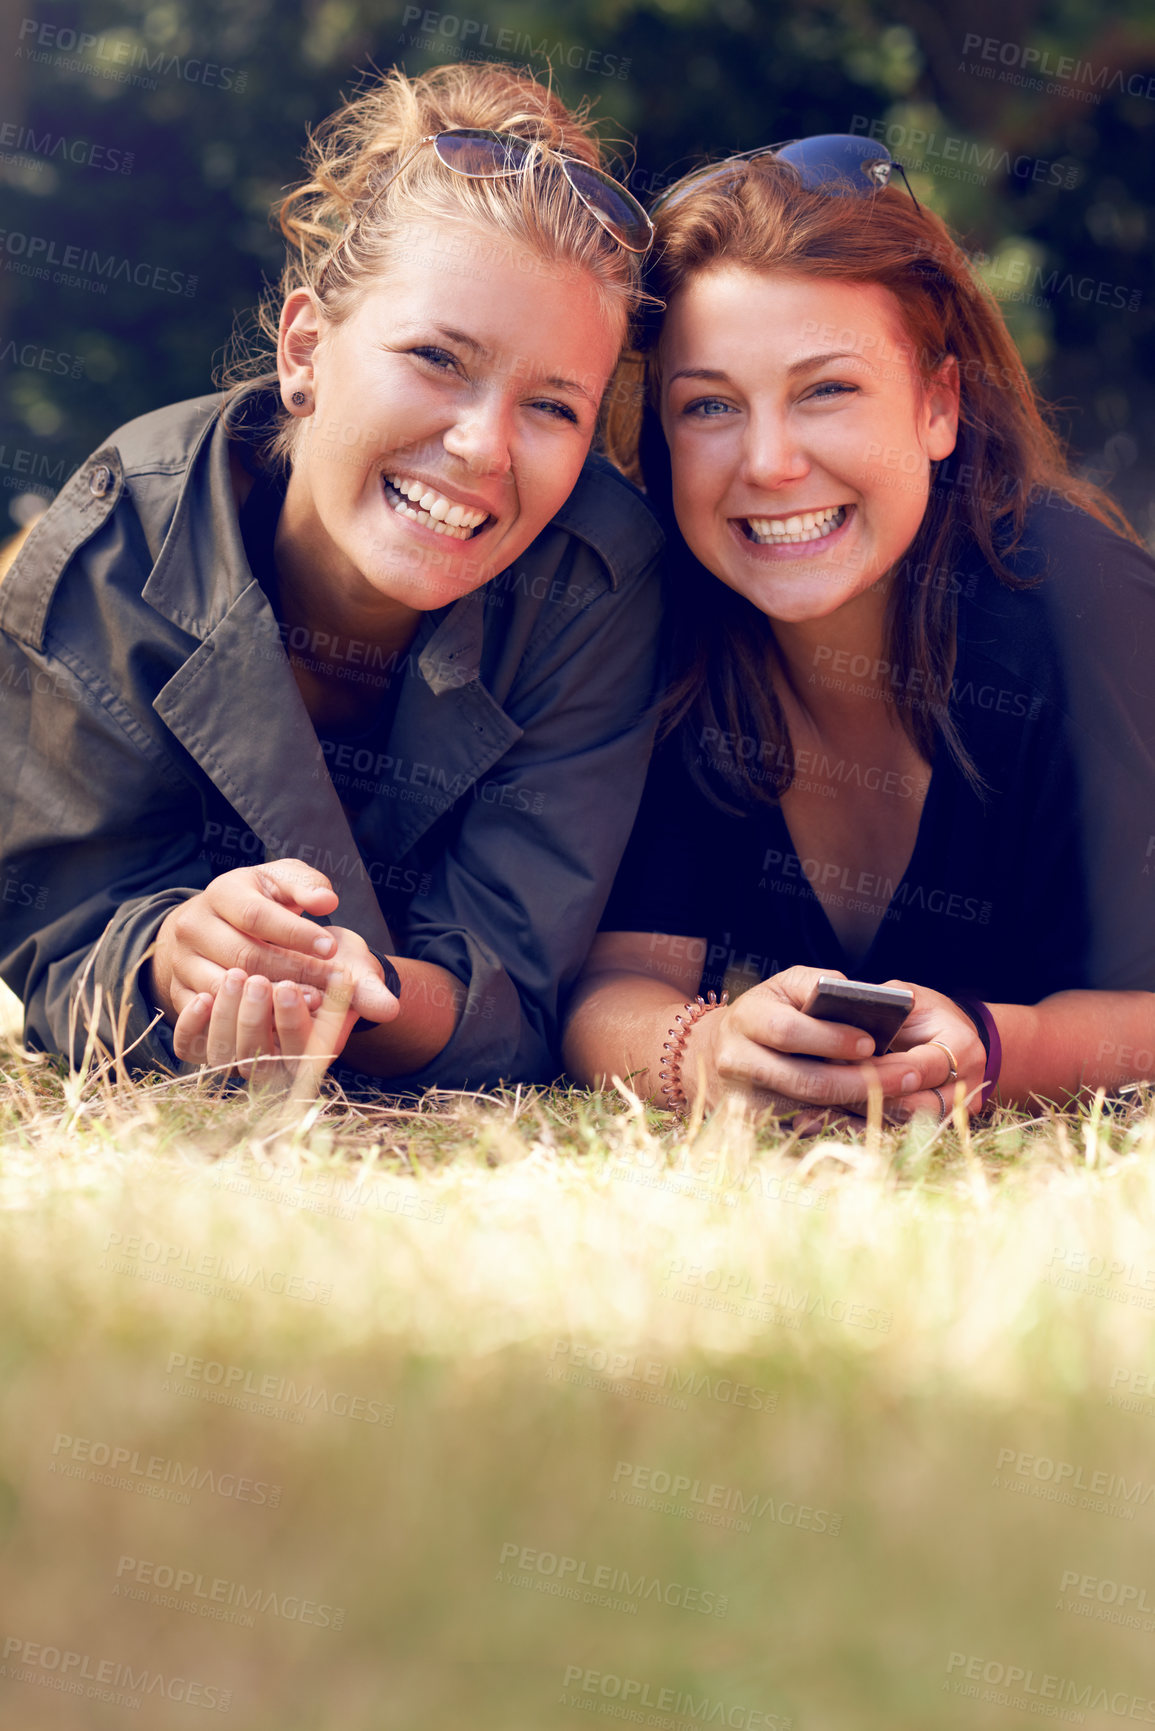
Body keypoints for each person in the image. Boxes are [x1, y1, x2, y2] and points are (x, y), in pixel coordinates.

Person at [0, 62, 664, 1095]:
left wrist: (354, 994)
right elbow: (54, 927)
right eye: (440, 358)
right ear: (305, 348)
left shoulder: (599, 581)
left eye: (553, 407)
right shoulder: (120, 536)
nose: (485, 447)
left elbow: (522, 986)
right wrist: (171, 961)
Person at [563, 134, 1155, 1123]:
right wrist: (705, 1049)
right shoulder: (668, 610)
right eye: (709, 405)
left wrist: (999, 1049)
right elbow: (616, 980)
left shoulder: (1088, 609)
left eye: (825, 390)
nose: (770, 462)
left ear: (937, 404)